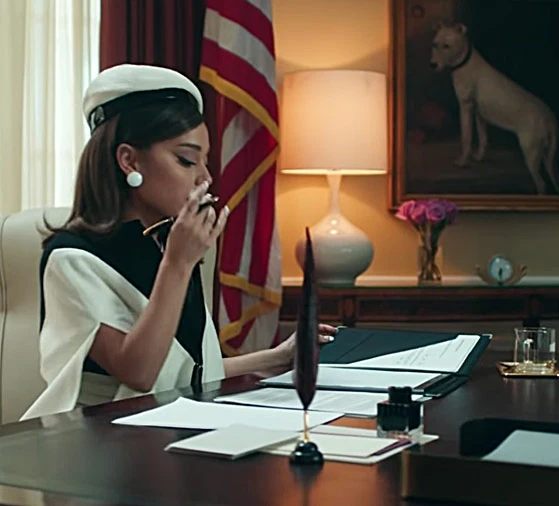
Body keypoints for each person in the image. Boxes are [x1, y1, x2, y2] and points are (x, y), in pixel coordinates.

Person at [21, 64, 334, 420]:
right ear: (129, 160)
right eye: (186, 160)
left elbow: (185, 374)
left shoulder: (166, 244)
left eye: (205, 161)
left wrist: (280, 357)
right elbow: (140, 374)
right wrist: (178, 264)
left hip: (167, 426)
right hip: (99, 438)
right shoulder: (72, 257)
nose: (205, 177)